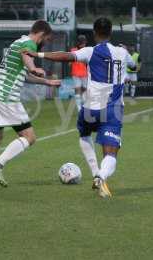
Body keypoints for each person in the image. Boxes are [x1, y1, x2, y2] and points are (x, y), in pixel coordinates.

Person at [24, 17, 136, 198]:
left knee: (84, 134)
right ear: (111, 32)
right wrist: (127, 60)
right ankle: (101, 175)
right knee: (111, 154)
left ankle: (95, 172)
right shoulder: (122, 53)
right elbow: (134, 67)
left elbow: (66, 56)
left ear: (94, 33)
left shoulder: (90, 51)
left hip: (90, 108)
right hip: (113, 110)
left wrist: (39, 55)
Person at [0, 20, 61, 188]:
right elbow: (27, 61)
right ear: (41, 35)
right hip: (6, 96)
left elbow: (24, 74)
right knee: (29, 137)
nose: (45, 43)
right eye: (47, 39)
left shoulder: (18, 42)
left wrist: (46, 82)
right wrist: (34, 67)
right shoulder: (30, 44)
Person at [70, 35, 88, 111]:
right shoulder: (73, 50)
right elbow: (70, 61)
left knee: (85, 89)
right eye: (82, 43)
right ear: (79, 43)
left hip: (84, 73)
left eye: (84, 43)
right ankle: (79, 108)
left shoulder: (86, 50)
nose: (84, 44)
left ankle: (83, 104)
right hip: (76, 73)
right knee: (77, 89)